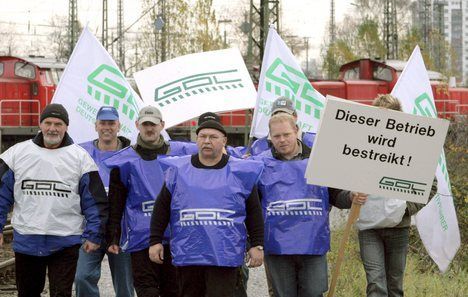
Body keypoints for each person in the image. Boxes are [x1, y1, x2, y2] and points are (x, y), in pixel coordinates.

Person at [0, 103, 108, 297]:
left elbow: (94, 202)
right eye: (48, 123)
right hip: (27, 239)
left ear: (66, 127)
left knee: (61, 293)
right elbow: (0, 194)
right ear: (40, 124)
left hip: (65, 241)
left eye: (58, 124)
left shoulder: (81, 158)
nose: (53, 128)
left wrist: (94, 235)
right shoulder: (17, 154)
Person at [149, 112, 265, 297]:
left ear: (224, 140)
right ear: (197, 140)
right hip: (189, 254)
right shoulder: (178, 170)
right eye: (202, 136)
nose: (207, 141)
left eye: (213, 137)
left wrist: (257, 244)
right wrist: (155, 240)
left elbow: (254, 211)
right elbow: (161, 208)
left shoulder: (241, 171)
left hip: (224, 254)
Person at [253, 112, 367, 297]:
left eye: (286, 134)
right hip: (277, 247)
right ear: (270, 137)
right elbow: (253, 207)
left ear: (296, 131)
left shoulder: (319, 160)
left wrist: (351, 197)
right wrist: (255, 243)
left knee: (314, 293)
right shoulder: (259, 165)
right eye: (276, 136)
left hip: (312, 244)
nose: (282, 140)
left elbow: (335, 195)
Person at [105, 105, 197, 297]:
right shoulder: (124, 161)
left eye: (154, 124)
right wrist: (113, 235)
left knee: (173, 290)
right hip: (141, 239)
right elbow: (116, 202)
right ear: (137, 125)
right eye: (145, 124)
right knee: (146, 290)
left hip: (175, 238)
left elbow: (213, 150)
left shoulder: (181, 155)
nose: (149, 128)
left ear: (162, 125)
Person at [356, 94, 428, 297]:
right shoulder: (359, 146)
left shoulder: (412, 148)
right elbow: (343, 179)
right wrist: (350, 195)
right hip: (369, 228)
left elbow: (430, 184)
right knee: (376, 284)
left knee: (395, 287)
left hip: (398, 228)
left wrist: (408, 208)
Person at [74, 106, 134, 297]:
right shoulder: (81, 151)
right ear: (96, 126)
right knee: (82, 277)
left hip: (122, 231)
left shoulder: (131, 153)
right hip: (91, 228)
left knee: (124, 285)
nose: (107, 127)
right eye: (103, 123)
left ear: (119, 126)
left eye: (111, 123)